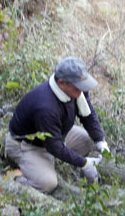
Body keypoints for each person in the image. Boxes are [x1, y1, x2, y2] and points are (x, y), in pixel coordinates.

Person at [6, 56, 110, 193]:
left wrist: (100, 140)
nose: (81, 91)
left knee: (88, 140)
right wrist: (83, 163)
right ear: (61, 83)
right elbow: (54, 147)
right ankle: (18, 177)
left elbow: (88, 114)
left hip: (58, 133)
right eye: (78, 87)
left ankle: (56, 163)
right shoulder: (46, 107)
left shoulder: (77, 89)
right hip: (27, 146)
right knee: (48, 184)